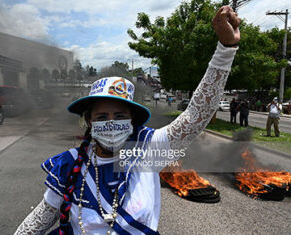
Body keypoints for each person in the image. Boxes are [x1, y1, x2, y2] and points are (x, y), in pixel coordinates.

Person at [15, 6, 240, 235]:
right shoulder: (68, 165)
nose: (111, 123)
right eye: (102, 117)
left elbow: (195, 117)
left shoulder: (149, 149)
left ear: (132, 118)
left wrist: (226, 49)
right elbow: (39, 221)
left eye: (119, 116)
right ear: (89, 121)